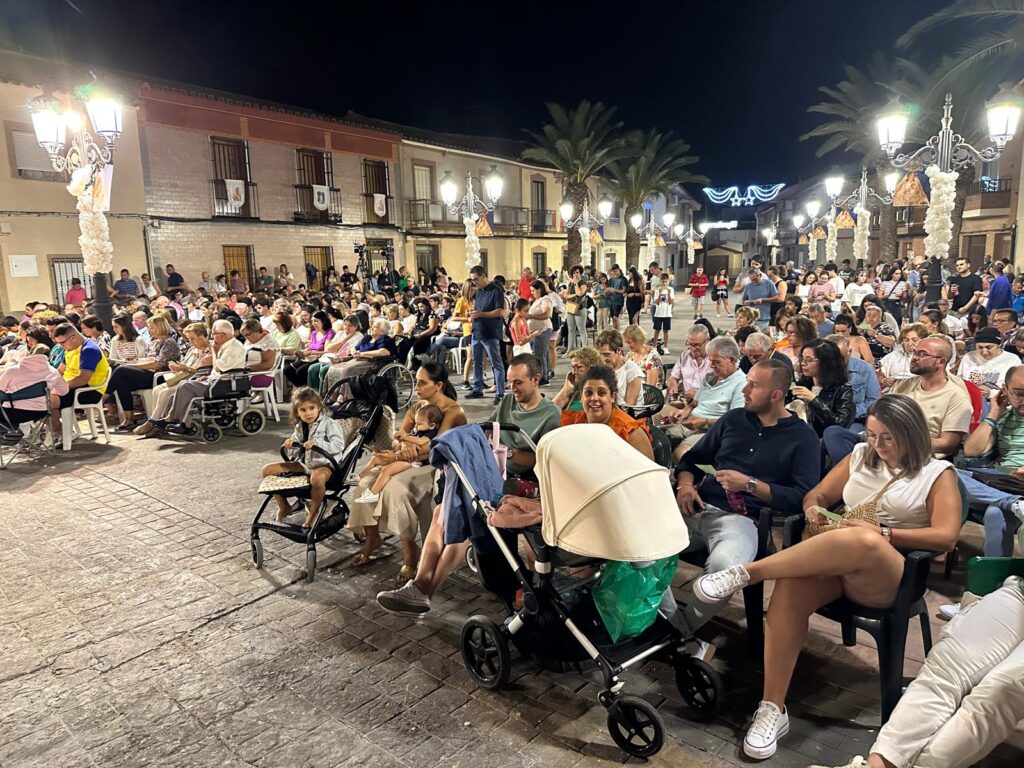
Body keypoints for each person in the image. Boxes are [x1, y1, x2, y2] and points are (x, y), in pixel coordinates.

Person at [695, 395, 962, 760]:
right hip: (838, 560)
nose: (877, 445)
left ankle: (747, 573)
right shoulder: (859, 457)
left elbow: (945, 535)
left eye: (887, 438)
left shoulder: (937, 473)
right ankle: (773, 707)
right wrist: (814, 510)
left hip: (889, 572)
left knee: (863, 538)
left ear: (911, 434)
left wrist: (884, 533)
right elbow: (817, 493)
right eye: (871, 435)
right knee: (790, 585)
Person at [376, 354, 563, 616]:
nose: (512, 389)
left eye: (518, 383)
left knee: (461, 513)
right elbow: (487, 432)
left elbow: (540, 458)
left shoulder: (550, 414)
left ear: (536, 379)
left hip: (520, 484)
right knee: (445, 511)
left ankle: (423, 590)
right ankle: (420, 587)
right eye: (509, 383)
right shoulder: (509, 401)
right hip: (491, 474)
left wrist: (505, 451)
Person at [673, 359, 820, 657]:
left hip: (741, 519)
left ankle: (676, 631)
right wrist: (686, 485)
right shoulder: (734, 419)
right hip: (697, 506)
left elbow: (800, 498)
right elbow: (692, 459)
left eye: (754, 385)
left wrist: (751, 485)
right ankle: (675, 631)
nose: (744, 389)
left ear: (776, 394)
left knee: (724, 570)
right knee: (639, 542)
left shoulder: (802, 438)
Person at [348, 362, 466, 582]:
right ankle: (372, 539)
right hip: (408, 459)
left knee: (395, 489)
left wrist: (399, 454)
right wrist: (404, 447)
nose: (417, 386)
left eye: (422, 382)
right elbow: (398, 434)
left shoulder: (452, 411)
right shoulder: (418, 406)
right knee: (365, 483)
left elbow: (434, 447)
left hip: (437, 466)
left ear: (438, 385)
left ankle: (410, 553)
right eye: (417, 381)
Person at [824, 336, 972, 464]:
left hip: (915, 454)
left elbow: (947, 444)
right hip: (881, 441)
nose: (914, 357)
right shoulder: (905, 385)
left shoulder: (956, 396)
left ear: (941, 362)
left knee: (842, 453)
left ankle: (853, 475)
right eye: (914, 352)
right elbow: (880, 413)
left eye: (922, 354)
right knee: (832, 433)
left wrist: (899, 441)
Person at [955, 364, 1024, 558]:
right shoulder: (1003, 418)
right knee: (947, 473)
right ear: (1005, 390)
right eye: (1018, 393)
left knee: (994, 511)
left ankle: (1011, 502)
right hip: (1004, 482)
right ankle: (1013, 503)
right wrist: (994, 414)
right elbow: (972, 451)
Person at [260, 387, 346, 528]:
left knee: (316, 478)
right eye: (303, 410)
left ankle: (313, 514)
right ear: (297, 412)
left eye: (311, 408)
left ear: (319, 407)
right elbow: (297, 442)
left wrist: (318, 443)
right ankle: (284, 506)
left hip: (324, 464)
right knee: (267, 470)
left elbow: (338, 445)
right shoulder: (301, 426)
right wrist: (291, 442)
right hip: (304, 463)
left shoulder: (330, 424)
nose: (308, 413)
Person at [660, 335, 746, 462]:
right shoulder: (710, 377)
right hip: (690, 424)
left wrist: (705, 421)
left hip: (710, 431)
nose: (711, 366)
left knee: (682, 454)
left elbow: (734, 422)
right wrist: (681, 413)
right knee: (650, 437)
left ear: (731, 360)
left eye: (716, 362)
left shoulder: (741, 384)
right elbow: (694, 403)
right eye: (710, 361)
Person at [155, 320, 246, 431]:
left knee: (185, 386)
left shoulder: (235, 347)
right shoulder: (224, 345)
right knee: (180, 389)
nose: (212, 337)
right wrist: (207, 377)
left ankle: (176, 420)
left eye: (213, 334)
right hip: (215, 380)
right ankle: (177, 421)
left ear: (222, 335)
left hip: (224, 383)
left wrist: (214, 350)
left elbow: (219, 367)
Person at [134, 323, 213, 437]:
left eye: (192, 339)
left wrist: (185, 368)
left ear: (201, 336)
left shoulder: (209, 351)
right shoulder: (192, 350)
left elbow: (203, 371)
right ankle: (156, 421)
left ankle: (152, 422)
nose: (190, 342)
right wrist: (177, 367)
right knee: (157, 389)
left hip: (194, 379)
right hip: (181, 376)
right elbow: (184, 365)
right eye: (188, 339)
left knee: (164, 392)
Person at [559, 364, 653, 459]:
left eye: (601, 393)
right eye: (588, 393)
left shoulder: (631, 432)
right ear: (581, 398)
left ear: (612, 397)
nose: (594, 398)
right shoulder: (573, 422)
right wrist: (565, 390)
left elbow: (650, 472)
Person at [355, 404, 442, 505]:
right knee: (375, 458)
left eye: (419, 424)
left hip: (414, 462)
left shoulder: (430, 433)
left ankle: (374, 493)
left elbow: (422, 441)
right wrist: (401, 437)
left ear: (432, 425)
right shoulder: (419, 430)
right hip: (402, 455)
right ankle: (359, 477)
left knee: (387, 469)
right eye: (416, 424)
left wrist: (406, 437)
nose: (416, 426)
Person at [105, 315, 181, 431]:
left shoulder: (168, 342)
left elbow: (158, 364)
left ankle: (103, 397)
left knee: (121, 369)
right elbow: (147, 359)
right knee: (121, 381)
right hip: (147, 372)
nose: (149, 330)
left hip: (159, 376)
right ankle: (129, 418)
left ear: (160, 328)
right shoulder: (153, 341)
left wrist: (133, 365)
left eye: (151, 328)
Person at [48, 323, 110, 438]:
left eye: (62, 342)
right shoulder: (69, 348)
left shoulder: (89, 349)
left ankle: (60, 433)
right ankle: (56, 431)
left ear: (73, 337)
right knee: (40, 396)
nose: (61, 346)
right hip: (72, 386)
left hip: (89, 390)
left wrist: (59, 387)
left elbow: (83, 378)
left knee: (49, 400)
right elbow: (60, 370)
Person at [789, 338, 855, 439]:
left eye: (809, 360)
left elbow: (839, 425)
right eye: (802, 359)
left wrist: (814, 400)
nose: (803, 363)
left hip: (823, 442)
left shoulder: (843, 390)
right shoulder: (801, 385)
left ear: (826, 362)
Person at [0, 344, 68, 430]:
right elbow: (64, 390)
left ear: (29, 354)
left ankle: (10, 435)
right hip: (40, 412)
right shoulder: (52, 372)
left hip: (11, 413)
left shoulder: (12, 371)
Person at [466, 266, 506, 405]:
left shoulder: (496, 290)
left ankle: (500, 393)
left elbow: (500, 312)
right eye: (472, 280)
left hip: (490, 333)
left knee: (496, 363)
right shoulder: (479, 292)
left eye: (476, 279)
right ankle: (477, 388)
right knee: (477, 362)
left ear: (484, 276)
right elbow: (478, 310)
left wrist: (481, 314)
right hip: (477, 331)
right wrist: (473, 315)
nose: (474, 282)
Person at [828, 334, 880, 426]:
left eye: (841, 358)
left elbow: (873, 401)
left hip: (855, 420)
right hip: (825, 419)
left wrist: (847, 413)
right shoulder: (818, 368)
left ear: (850, 351)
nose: (837, 363)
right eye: (832, 359)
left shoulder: (865, 369)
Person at [956, 326, 1019, 400]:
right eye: (980, 347)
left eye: (989, 347)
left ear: (998, 345)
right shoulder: (969, 357)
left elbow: (1015, 390)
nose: (984, 352)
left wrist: (990, 393)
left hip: (998, 400)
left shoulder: (1012, 360)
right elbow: (959, 382)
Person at [283, 310, 334, 387]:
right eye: (312, 321)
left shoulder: (329, 333)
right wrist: (300, 352)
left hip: (320, 358)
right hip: (309, 358)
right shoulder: (314, 333)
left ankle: (307, 390)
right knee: (287, 369)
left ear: (323, 321)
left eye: (316, 321)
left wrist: (310, 353)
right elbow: (309, 348)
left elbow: (326, 351)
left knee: (300, 371)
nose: (313, 323)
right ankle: (302, 388)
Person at [595, 329, 643, 407]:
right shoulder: (602, 368)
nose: (603, 359)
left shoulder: (632, 372)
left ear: (619, 351)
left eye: (607, 354)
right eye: (600, 354)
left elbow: (629, 407)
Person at [667, 324, 712, 401]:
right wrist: (673, 385)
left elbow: (720, 391)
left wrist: (697, 395)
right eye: (690, 344)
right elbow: (673, 377)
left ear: (708, 341)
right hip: (684, 401)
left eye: (697, 345)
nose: (693, 348)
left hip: (705, 404)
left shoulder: (715, 360)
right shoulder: (685, 355)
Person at [552, 347, 603, 411]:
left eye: (579, 367)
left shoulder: (601, 392)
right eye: (572, 367)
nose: (573, 372)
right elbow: (549, 412)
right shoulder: (575, 390)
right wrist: (566, 389)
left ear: (592, 368)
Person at [879, 323, 927, 388]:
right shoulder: (894, 355)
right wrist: (884, 381)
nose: (910, 344)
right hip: (895, 393)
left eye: (914, 340)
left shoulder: (930, 357)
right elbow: (878, 374)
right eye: (906, 340)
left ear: (924, 340)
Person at [607, 264, 627, 329]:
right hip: (611, 300)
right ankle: (615, 332)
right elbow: (608, 288)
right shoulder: (611, 279)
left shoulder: (623, 279)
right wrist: (608, 291)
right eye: (613, 271)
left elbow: (623, 291)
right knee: (613, 317)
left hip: (618, 300)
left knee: (616, 317)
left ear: (619, 269)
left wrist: (614, 290)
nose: (614, 273)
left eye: (615, 271)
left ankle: (617, 332)